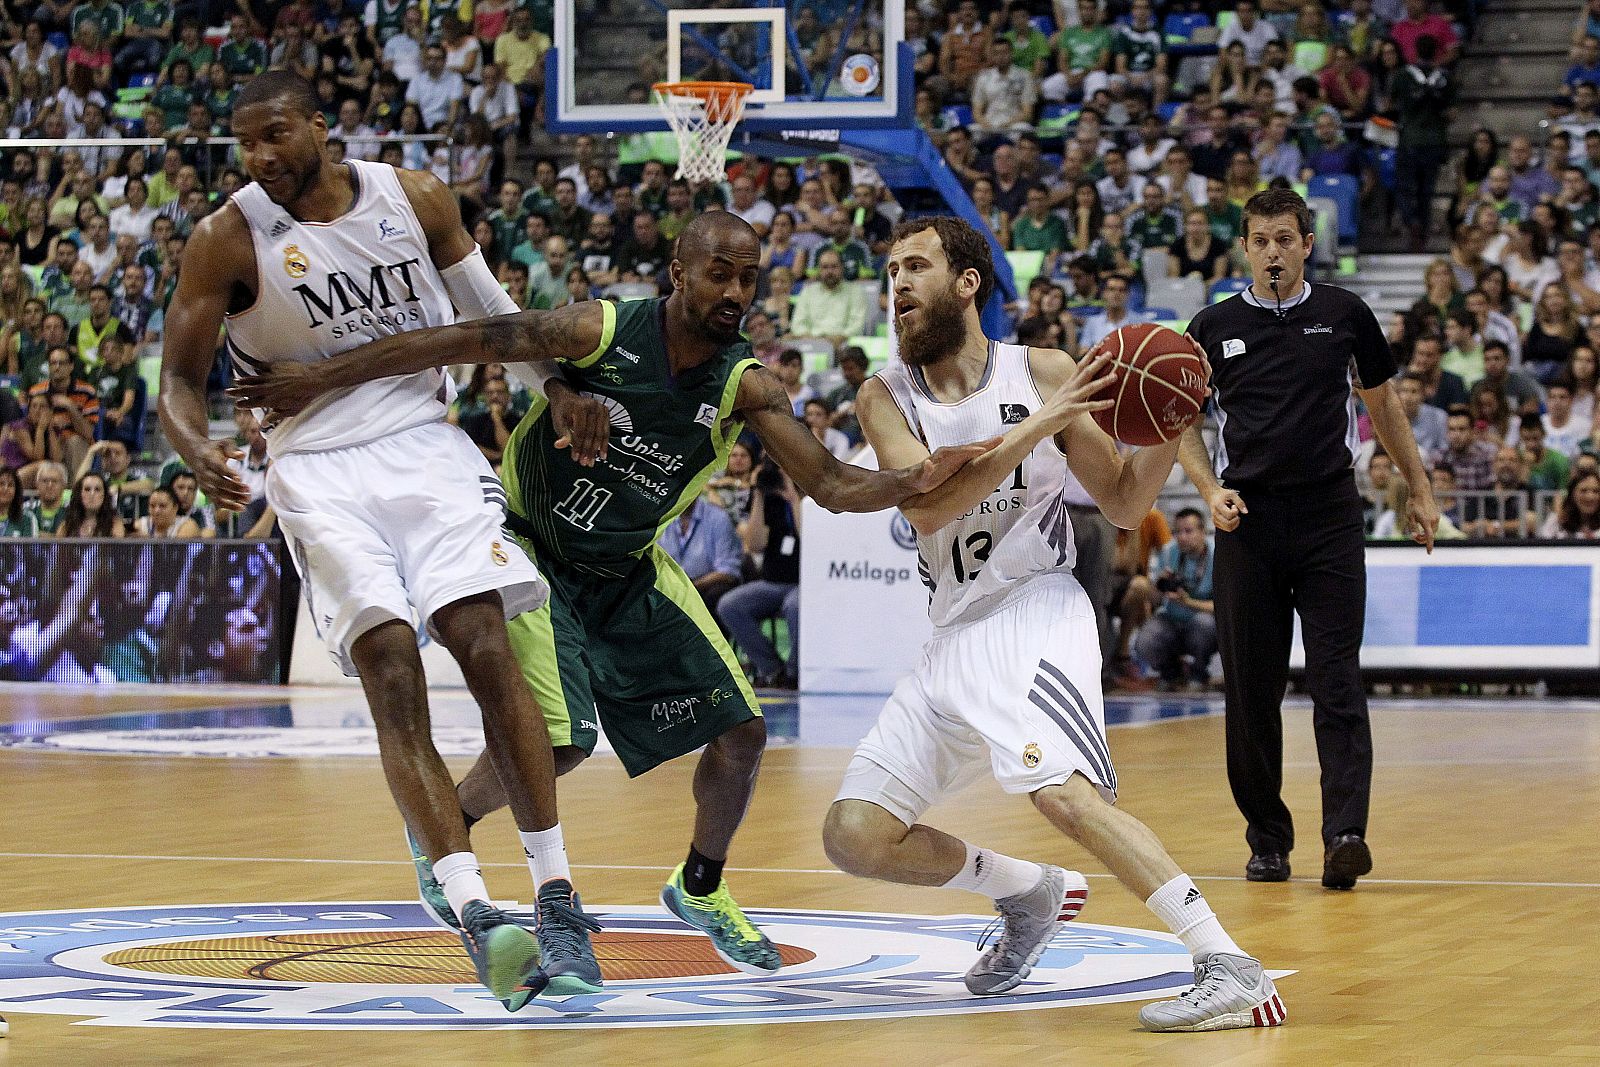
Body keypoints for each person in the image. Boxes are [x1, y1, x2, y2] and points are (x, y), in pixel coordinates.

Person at [229, 210, 992, 982]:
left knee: (743, 735)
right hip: (529, 544)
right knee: (562, 743)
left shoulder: (743, 384)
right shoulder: (599, 330)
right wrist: (322, 378)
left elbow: (829, 483)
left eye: (749, 276)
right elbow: (464, 339)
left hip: (628, 564)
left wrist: (909, 480)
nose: (735, 290)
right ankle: (447, 824)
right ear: (679, 275)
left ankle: (699, 886)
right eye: (719, 272)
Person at [158, 71, 591, 1009]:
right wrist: (199, 451)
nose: (260, 158)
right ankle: (477, 911)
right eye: (245, 146)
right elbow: (178, 383)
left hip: (427, 449)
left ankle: (558, 890)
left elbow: (493, 313)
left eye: (275, 136)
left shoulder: (413, 197)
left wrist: (556, 390)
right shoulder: (225, 238)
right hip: (315, 469)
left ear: (322, 126)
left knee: (482, 642)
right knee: (392, 666)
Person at [820, 214, 1284, 1034]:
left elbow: (1125, 501)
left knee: (1062, 794)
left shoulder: (1043, 369)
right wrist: (1035, 426)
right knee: (854, 834)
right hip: (950, 634)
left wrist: (1173, 414)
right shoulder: (883, 396)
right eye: (890, 270)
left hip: (1035, 605)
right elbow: (929, 508)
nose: (896, 284)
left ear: (967, 284)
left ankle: (1226, 963)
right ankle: (1025, 890)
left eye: (915, 266)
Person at [1179, 187, 1440, 891]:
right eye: (1261, 240)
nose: (1273, 252)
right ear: (1244, 245)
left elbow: (1382, 403)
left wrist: (1418, 487)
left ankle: (1344, 834)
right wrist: (1208, 491)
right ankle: (1267, 837)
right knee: (1252, 692)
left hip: (1330, 516)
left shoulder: (1344, 314)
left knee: (1337, 679)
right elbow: (1184, 424)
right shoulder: (1211, 326)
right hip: (1248, 521)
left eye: (1285, 239)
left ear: (1306, 244)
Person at [1133, 508, 1217, 690]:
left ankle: (1198, 673)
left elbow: (1222, 608)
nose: (1182, 537)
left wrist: (1187, 601)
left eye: (1188, 531)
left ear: (1203, 532)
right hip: (1171, 619)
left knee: (1204, 625)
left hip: (1203, 622)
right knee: (1145, 640)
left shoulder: (1217, 555)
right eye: (1177, 531)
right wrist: (1159, 585)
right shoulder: (1169, 552)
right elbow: (1154, 601)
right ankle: (1171, 672)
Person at [659, 493, 744, 620]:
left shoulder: (718, 518)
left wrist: (693, 586)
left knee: (715, 595)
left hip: (706, 585)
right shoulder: (664, 519)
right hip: (673, 585)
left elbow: (728, 572)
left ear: (697, 490)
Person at [57, 471, 125, 538]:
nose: (92, 494)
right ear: (79, 494)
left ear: (104, 495)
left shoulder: (115, 524)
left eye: (97, 489)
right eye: (87, 489)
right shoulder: (66, 526)